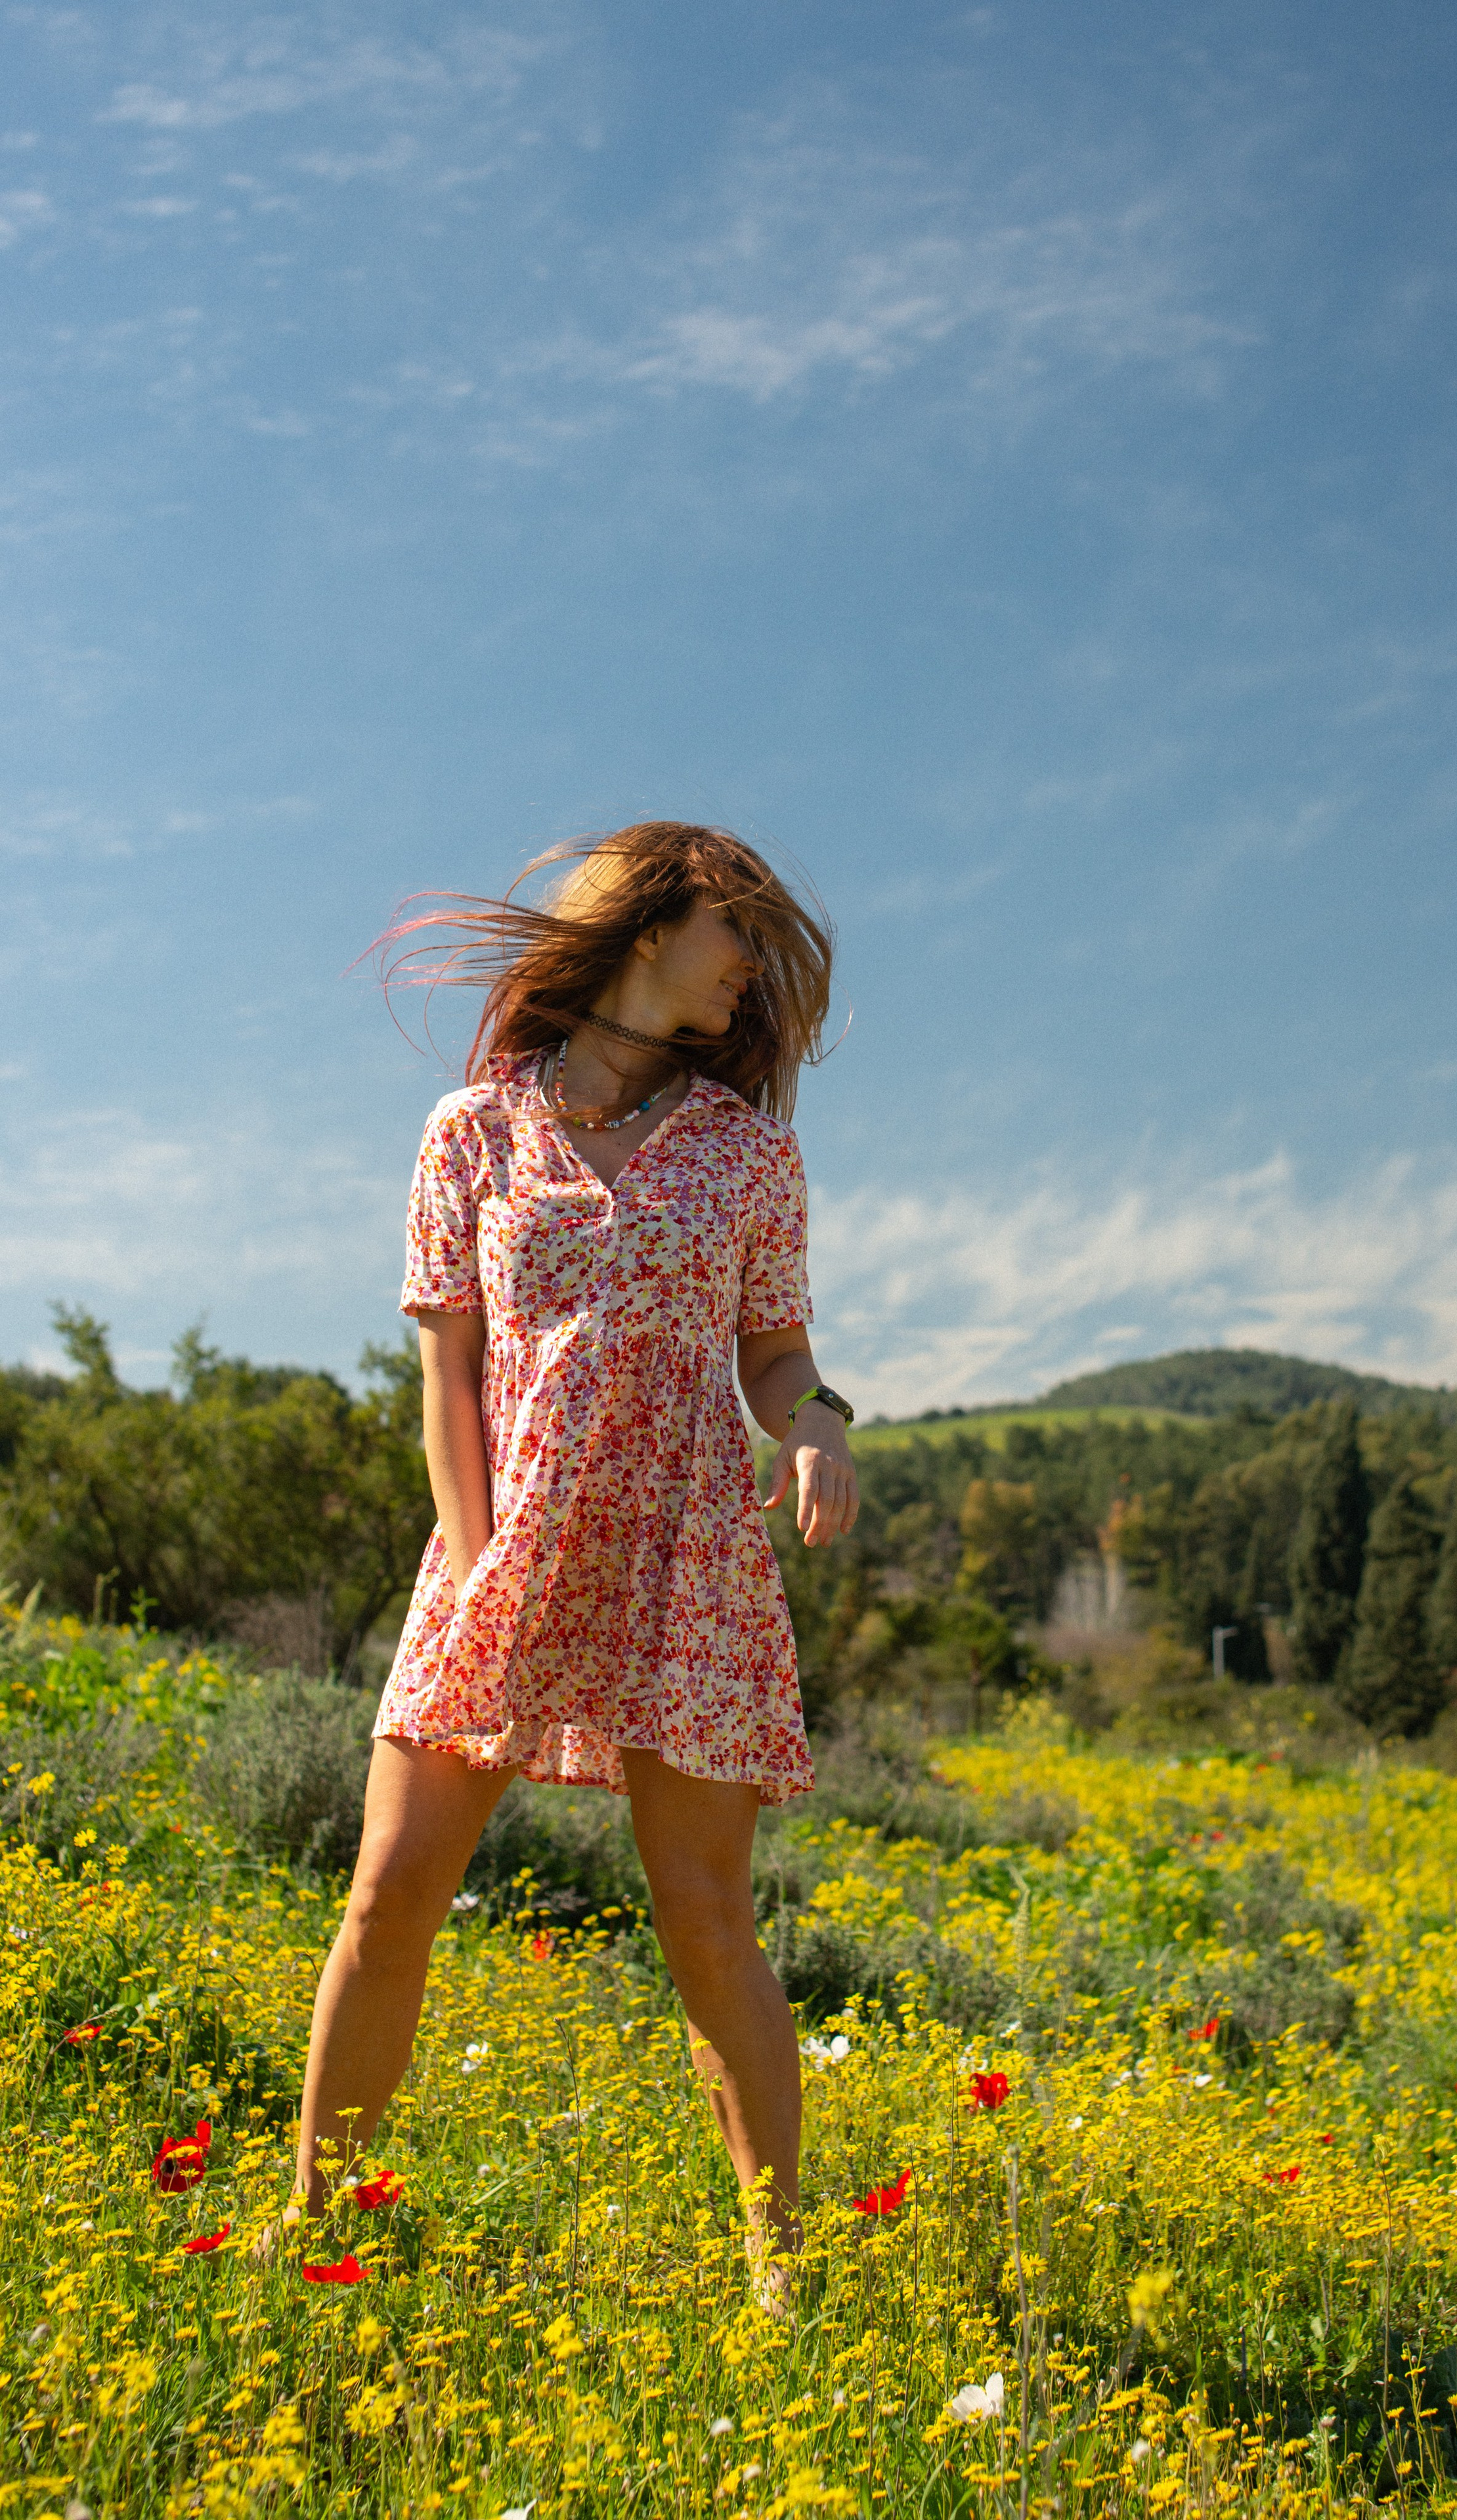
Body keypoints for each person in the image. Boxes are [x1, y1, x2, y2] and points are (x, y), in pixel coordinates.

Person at [290, 821, 857, 2283]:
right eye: (739, 934)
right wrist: (480, 1565)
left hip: (689, 1557)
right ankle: (316, 2229)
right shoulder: (470, 1133)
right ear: (651, 925)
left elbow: (775, 1352)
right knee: (389, 1887)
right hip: (508, 1545)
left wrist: (817, 1425)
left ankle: (779, 2266)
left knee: (708, 1922)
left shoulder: (746, 1152)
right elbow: (449, 1381)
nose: (751, 971)